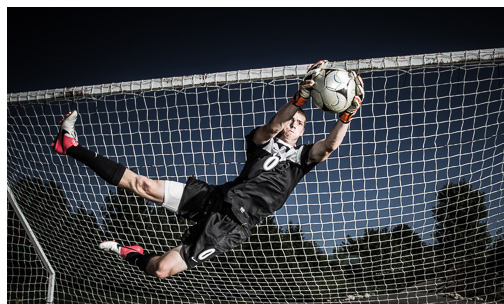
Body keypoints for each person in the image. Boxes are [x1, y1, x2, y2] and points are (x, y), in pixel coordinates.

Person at [52, 60, 364, 279]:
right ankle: (70, 145)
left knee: (161, 270)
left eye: (300, 123)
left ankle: (129, 252)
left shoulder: (301, 159)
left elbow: (330, 146)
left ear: (303, 132)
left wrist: (347, 114)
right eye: (293, 119)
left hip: (232, 224)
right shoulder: (260, 142)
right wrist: (301, 97)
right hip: (214, 196)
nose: (295, 124)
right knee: (143, 185)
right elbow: (272, 125)